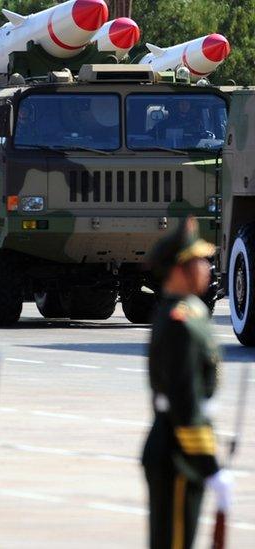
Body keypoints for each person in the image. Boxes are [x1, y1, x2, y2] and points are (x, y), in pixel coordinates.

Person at [142, 217, 232, 549]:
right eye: (199, 261)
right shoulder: (179, 321)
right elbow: (184, 400)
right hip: (177, 450)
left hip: (181, 445)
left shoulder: (190, 313)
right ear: (180, 269)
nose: (207, 267)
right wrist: (209, 463)